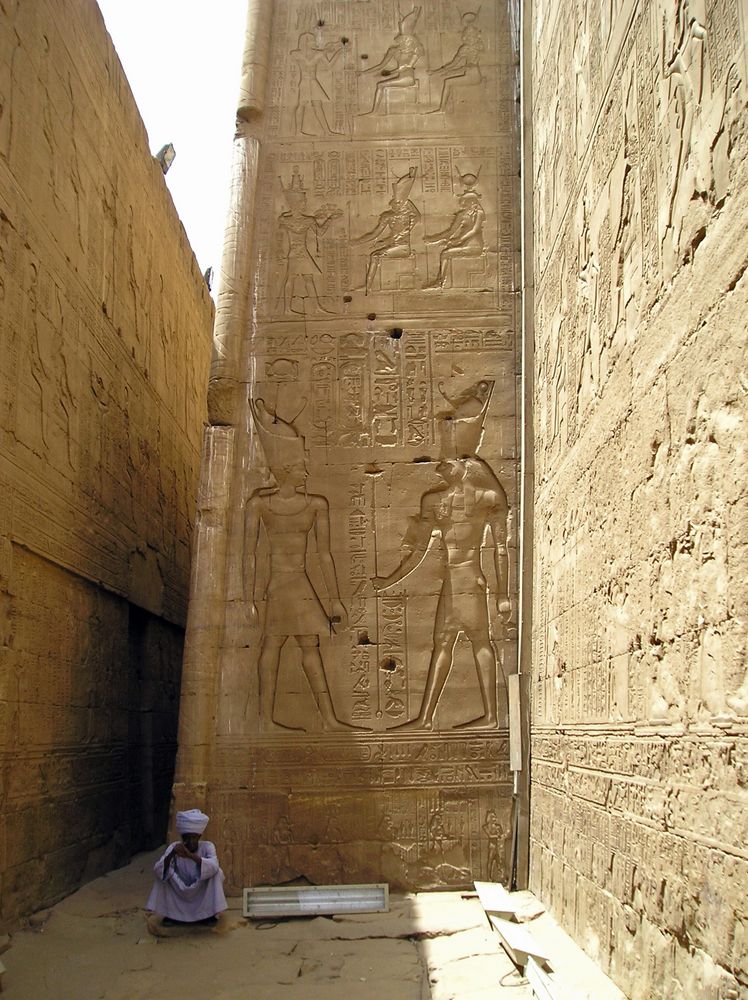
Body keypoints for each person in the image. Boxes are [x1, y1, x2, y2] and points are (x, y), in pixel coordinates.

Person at [373, 457, 511, 730]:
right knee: (446, 644)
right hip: (455, 581)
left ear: (467, 467)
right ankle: (427, 719)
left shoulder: (487, 498)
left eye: (450, 463)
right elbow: (419, 550)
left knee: (475, 642)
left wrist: (503, 595)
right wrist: (390, 580)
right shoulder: (436, 501)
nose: (442, 468)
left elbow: (502, 548)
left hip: (470, 580)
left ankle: (490, 717)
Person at [245, 400, 354, 732]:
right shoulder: (259, 504)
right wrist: (248, 598)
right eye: (300, 462)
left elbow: (325, 555)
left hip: (299, 583)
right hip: (278, 584)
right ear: (285, 467)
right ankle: (265, 719)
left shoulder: (316, 505)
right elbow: (250, 553)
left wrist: (334, 599)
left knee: (307, 645)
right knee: (273, 643)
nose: (306, 466)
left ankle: (329, 719)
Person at [146, 809, 227, 925]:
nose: (190, 841)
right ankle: (172, 915)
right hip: (179, 890)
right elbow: (159, 870)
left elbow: (213, 866)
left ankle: (208, 915)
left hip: (201, 890)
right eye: (186, 838)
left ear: (199, 837)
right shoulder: (174, 847)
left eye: (193, 838)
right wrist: (172, 854)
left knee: (217, 872)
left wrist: (191, 856)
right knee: (163, 873)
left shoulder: (207, 846)